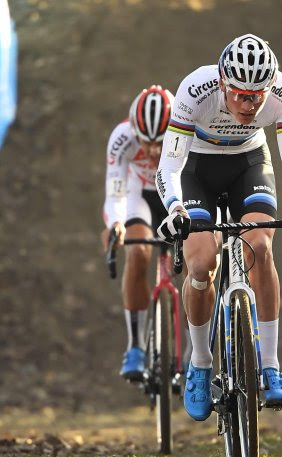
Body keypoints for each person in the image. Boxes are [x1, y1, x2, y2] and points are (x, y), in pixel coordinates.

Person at [154, 34, 282, 421]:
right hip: (197, 169)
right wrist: (175, 207)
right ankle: (201, 364)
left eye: (257, 96)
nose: (248, 104)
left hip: (248, 164)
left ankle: (271, 364)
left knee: (259, 247)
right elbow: (169, 166)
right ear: (224, 83)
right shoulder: (194, 89)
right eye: (240, 95)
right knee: (200, 264)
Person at [101, 85, 173, 381]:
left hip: (176, 195)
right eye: (147, 142)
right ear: (134, 131)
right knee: (138, 252)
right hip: (138, 196)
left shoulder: (189, 131)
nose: (154, 150)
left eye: (161, 141)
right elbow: (115, 190)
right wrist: (115, 224)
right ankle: (136, 347)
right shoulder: (122, 138)